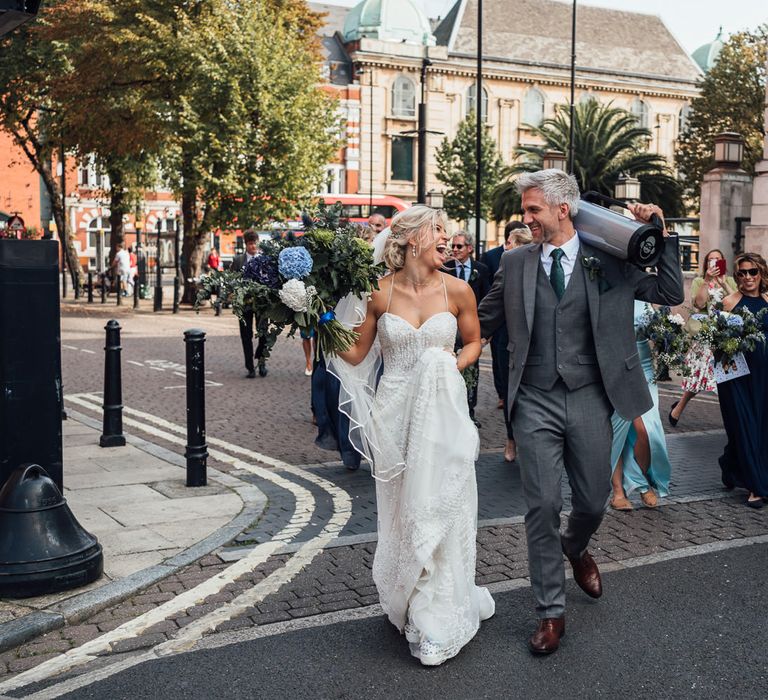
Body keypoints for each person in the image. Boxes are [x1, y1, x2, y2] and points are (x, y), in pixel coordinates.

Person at [477, 169, 683, 655]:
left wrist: (662, 234)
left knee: (592, 501)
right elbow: (482, 319)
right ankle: (550, 613)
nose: (525, 218)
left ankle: (576, 546)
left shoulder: (608, 260)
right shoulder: (516, 262)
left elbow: (670, 293)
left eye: (533, 210)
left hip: (593, 394)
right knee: (542, 506)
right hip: (534, 398)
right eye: (524, 210)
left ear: (562, 210)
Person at [330, 205, 494, 666]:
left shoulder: (459, 290)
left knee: (445, 503)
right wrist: (319, 322)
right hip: (395, 414)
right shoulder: (378, 294)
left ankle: (436, 609)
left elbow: (474, 342)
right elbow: (357, 355)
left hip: (442, 413)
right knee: (405, 509)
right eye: (438, 229)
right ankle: (410, 594)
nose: (447, 236)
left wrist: (449, 364)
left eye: (447, 230)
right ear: (412, 240)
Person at [610, 301, 672, 511]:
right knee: (617, 431)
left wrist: (669, 333)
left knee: (647, 430)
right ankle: (618, 490)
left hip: (643, 365)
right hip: (614, 364)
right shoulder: (603, 283)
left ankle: (641, 479)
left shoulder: (644, 288)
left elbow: (658, 323)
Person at [717, 252, 768, 508]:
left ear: (761, 273)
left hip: (764, 376)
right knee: (745, 425)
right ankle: (755, 487)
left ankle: (730, 464)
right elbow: (715, 340)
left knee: (759, 428)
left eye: (752, 272)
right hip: (735, 376)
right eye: (742, 273)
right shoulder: (729, 302)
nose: (748, 277)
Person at [480, 222, 533, 461]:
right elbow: (492, 303)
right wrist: (475, 335)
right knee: (511, 393)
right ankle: (511, 438)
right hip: (505, 337)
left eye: (510, 244)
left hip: (534, 344)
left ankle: (530, 439)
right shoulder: (504, 263)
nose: (506, 247)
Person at [668, 249, 737, 426]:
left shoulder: (730, 281)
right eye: (710, 260)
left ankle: (734, 420)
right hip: (705, 335)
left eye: (717, 260)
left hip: (725, 335)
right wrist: (707, 281)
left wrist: (722, 284)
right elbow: (698, 304)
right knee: (699, 376)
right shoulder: (699, 281)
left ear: (723, 263)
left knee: (725, 377)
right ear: (706, 264)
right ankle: (678, 409)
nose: (713, 263)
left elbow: (735, 306)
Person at [442, 230, 490, 426]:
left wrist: (486, 335)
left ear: (469, 248)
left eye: (459, 246)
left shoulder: (482, 269)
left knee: (473, 370)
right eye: (452, 246)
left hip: (472, 329)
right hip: (450, 329)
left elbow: (487, 298)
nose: (454, 250)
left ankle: (470, 410)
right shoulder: (446, 268)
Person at [229, 230, 267, 378]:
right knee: (246, 336)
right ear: (246, 245)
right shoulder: (238, 260)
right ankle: (250, 367)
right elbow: (231, 279)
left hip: (262, 303)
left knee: (263, 333)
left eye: (255, 243)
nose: (253, 246)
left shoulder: (264, 259)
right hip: (244, 303)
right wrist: (234, 293)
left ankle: (262, 362)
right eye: (250, 244)